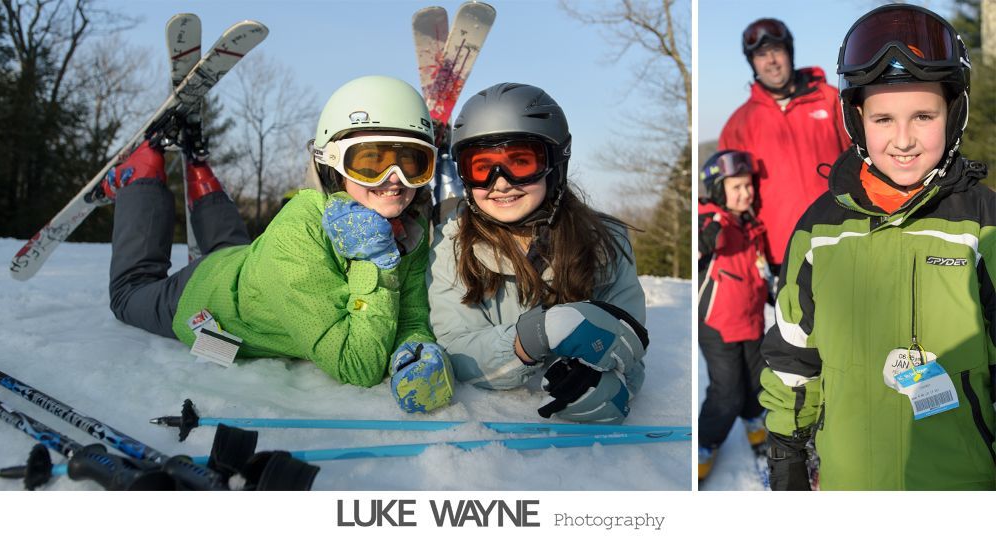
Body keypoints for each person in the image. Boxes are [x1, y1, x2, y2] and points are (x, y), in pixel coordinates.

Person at [103, 75, 453, 413]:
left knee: (232, 249)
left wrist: (415, 349)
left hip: (245, 268)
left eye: (412, 162)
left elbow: (409, 314)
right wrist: (374, 260)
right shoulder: (298, 231)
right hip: (204, 298)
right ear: (331, 161)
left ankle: (199, 168)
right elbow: (356, 364)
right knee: (128, 294)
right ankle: (140, 177)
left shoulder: (410, 226)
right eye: (370, 162)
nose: (394, 179)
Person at [760, 4, 995, 490]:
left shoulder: (982, 225)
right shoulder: (820, 231)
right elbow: (793, 355)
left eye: (923, 115)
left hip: (960, 483)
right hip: (852, 482)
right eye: (884, 118)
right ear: (857, 118)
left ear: (953, 114)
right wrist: (786, 451)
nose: (903, 139)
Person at [427, 82, 649, 424]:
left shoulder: (605, 241)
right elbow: (455, 348)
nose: (500, 182)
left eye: (520, 161)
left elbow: (626, 344)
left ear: (555, 162)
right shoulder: (452, 244)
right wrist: (529, 339)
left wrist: (608, 383)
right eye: (482, 167)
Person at [719, 17, 851, 271]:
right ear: (752, 63)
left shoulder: (830, 100)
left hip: (842, 237)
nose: (771, 61)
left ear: (789, 52)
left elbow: (864, 157)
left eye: (776, 51)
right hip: (783, 251)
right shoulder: (739, 124)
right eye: (761, 55)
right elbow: (729, 196)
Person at [696, 150, 771, 481]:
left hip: (752, 321)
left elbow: (758, 268)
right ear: (717, 190)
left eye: (748, 185)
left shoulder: (751, 223)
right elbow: (701, 239)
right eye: (736, 187)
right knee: (727, 393)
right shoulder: (711, 220)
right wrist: (705, 234)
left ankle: (755, 422)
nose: (746, 193)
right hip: (718, 326)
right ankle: (706, 442)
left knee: (756, 382)